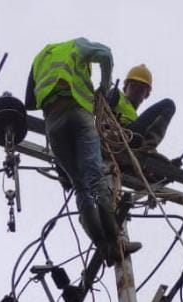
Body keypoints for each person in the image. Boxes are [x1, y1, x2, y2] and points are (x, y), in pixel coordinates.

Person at [24, 38, 137, 265]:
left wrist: (52, 93)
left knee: (80, 187)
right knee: (95, 177)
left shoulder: (39, 58)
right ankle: (116, 240)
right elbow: (106, 54)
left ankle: (104, 247)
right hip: (78, 113)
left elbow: (29, 101)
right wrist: (102, 89)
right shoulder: (77, 45)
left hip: (53, 123)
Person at [108, 64, 177, 153]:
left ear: (146, 95)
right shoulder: (117, 94)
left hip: (133, 139)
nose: (136, 91)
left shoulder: (135, 117)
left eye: (141, 89)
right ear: (125, 88)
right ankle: (148, 148)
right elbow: (101, 106)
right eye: (133, 86)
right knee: (168, 104)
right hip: (119, 134)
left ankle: (147, 149)